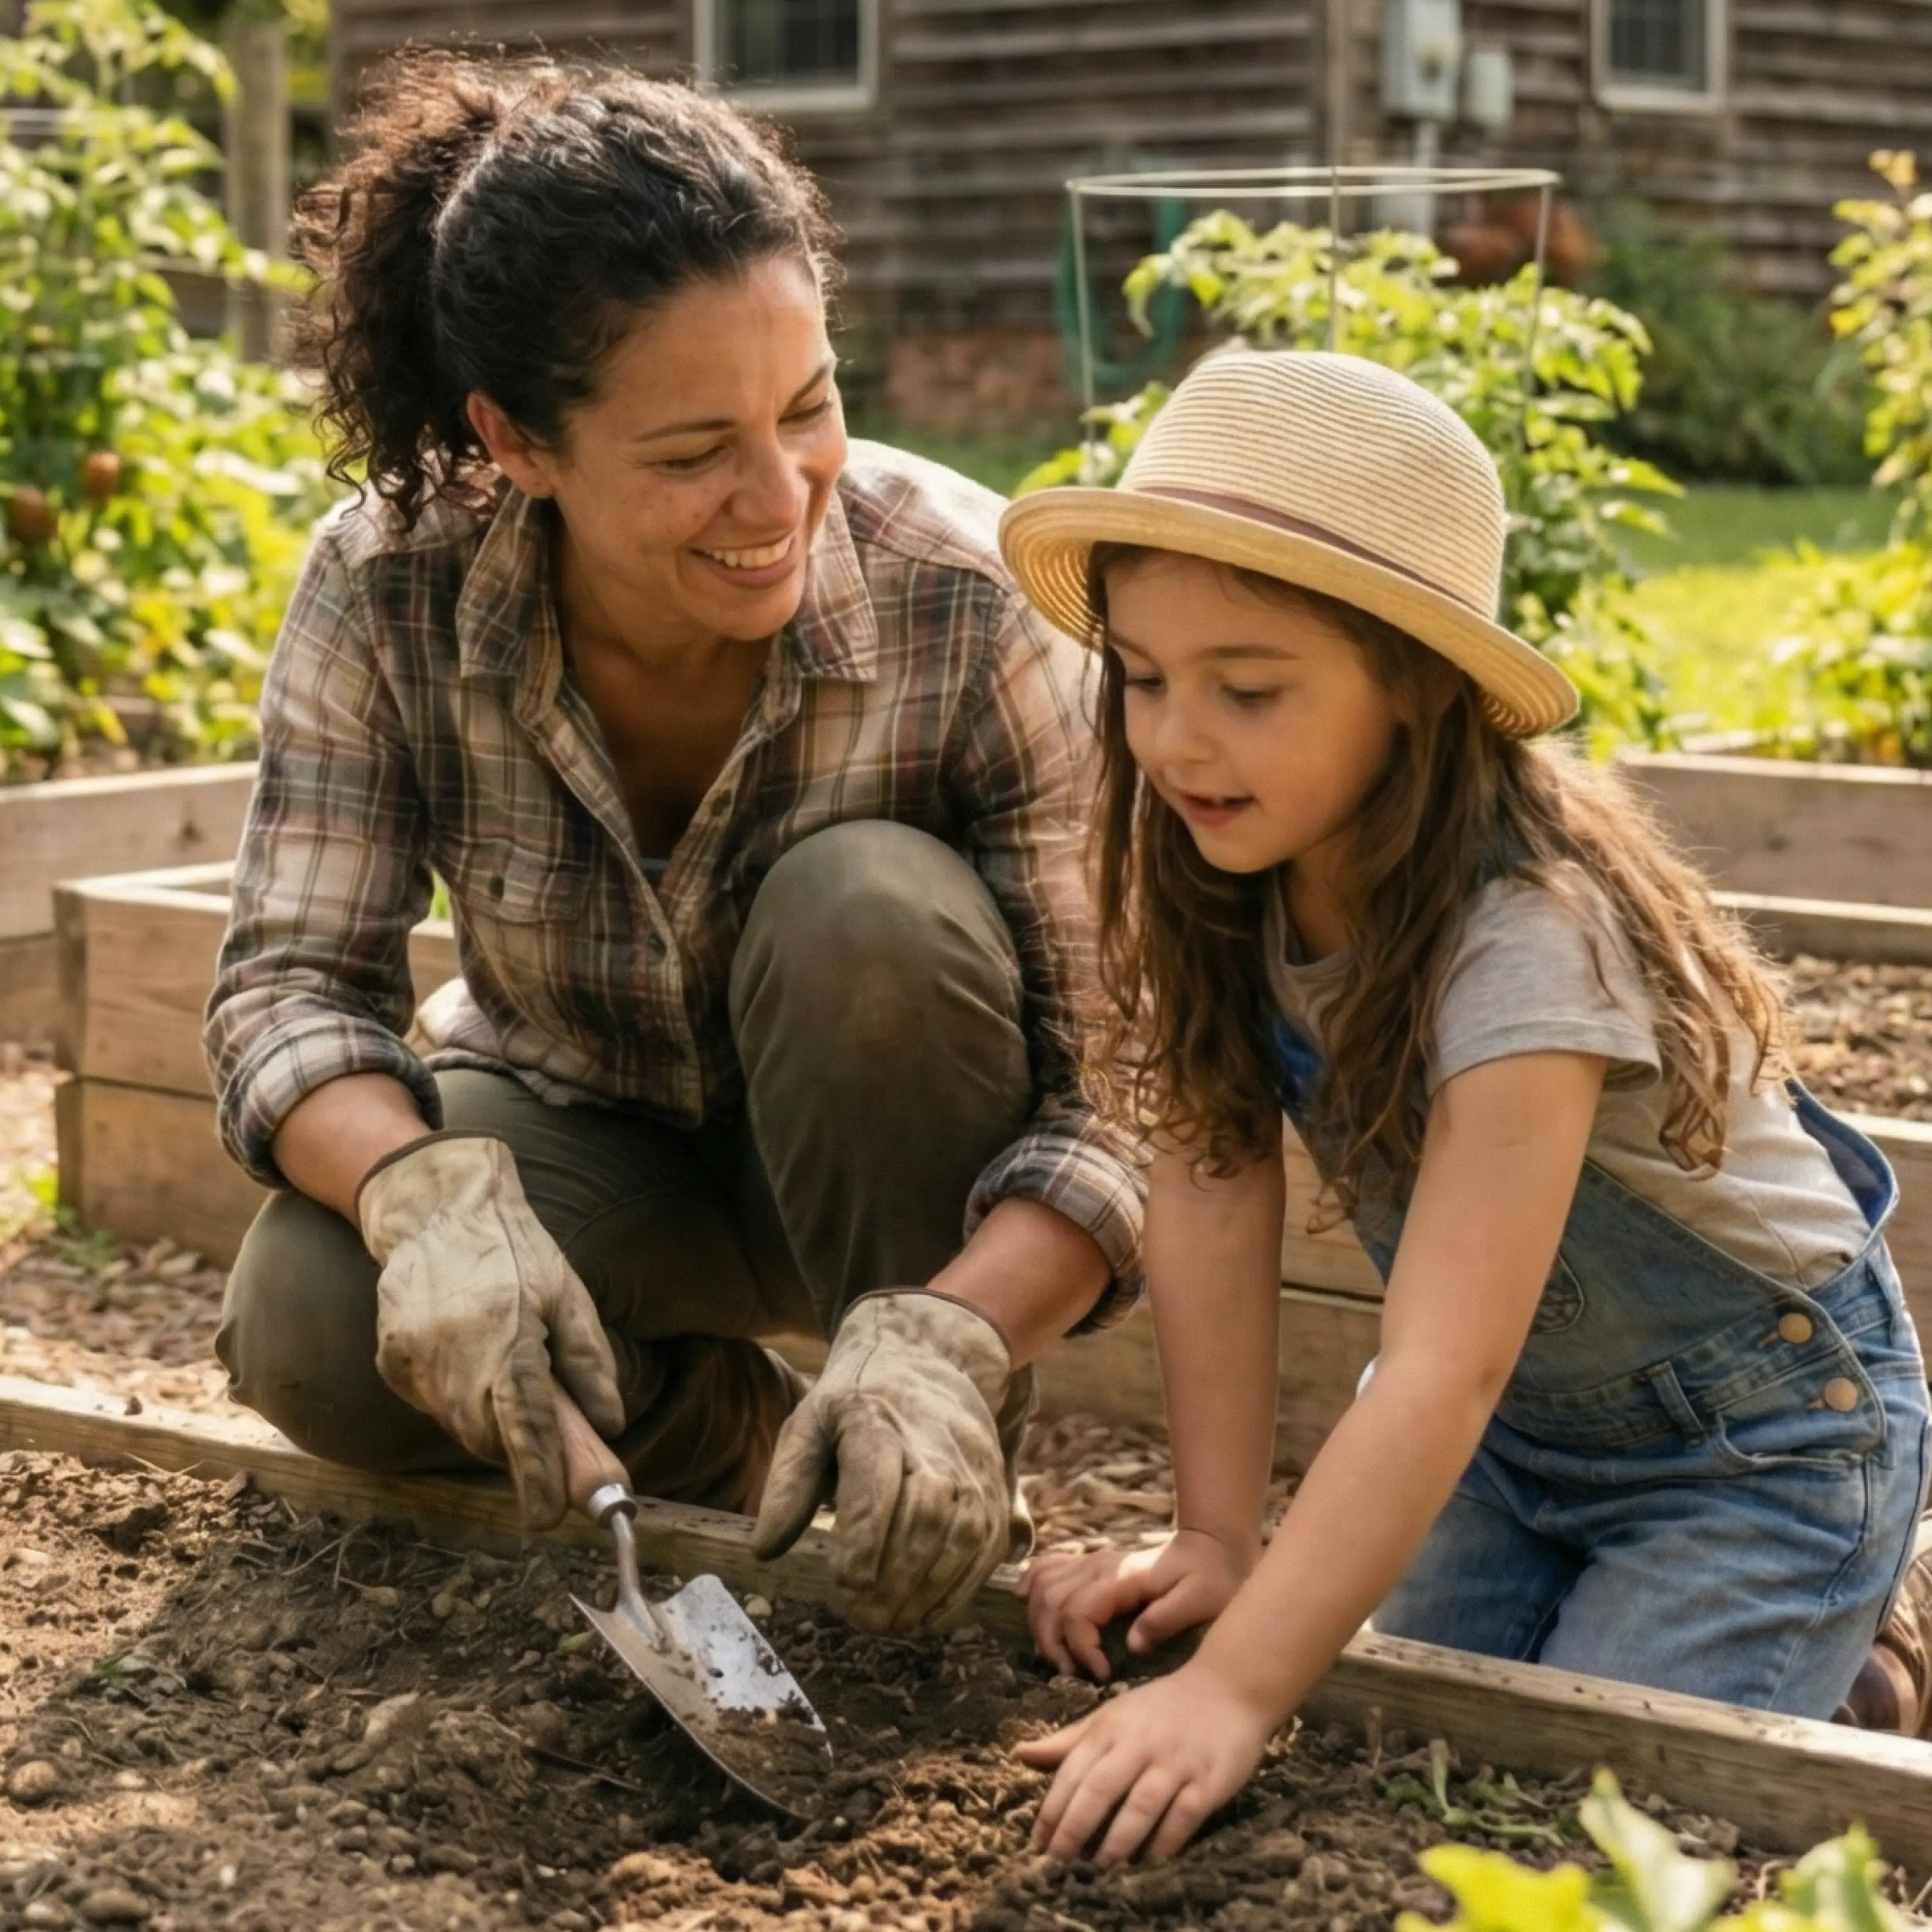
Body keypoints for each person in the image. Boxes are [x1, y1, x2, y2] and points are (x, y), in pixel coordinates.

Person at [203, 52, 1143, 1634]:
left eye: (809, 406)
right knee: (307, 1319)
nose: (778, 495)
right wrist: (423, 1197)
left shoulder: (970, 601)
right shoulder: (387, 589)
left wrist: (951, 1341)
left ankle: (920, 1447)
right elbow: (285, 989)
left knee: (865, 911)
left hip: (899, 1196)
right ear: (515, 441)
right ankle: (739, 1437)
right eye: (692, 451)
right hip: (589, 1134)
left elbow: (1134, 1088)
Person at [994, 348, 1932, 1862]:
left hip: (1757, 1449)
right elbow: (1215, 1188)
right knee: (1393, 1749)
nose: (1175, 741)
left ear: (1419, 686)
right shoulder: (1223, 878)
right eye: (1147, 680)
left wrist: (1231, 1692)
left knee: (1566, 1831)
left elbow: (1442, 1360)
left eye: (1247, 688)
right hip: (1514, 1445)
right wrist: (1221, 1539)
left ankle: (1876, 1663)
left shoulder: (1526, 942)